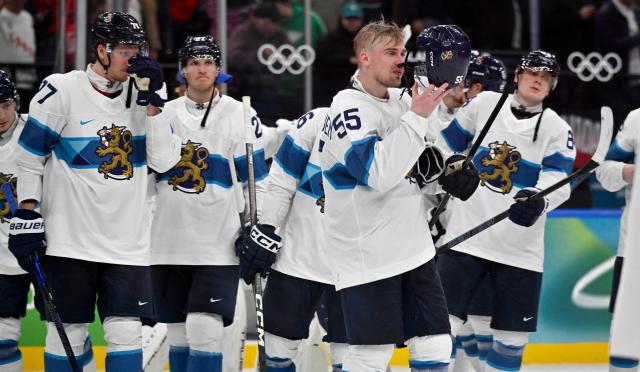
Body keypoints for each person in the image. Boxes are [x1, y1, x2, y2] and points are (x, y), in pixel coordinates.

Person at [9, 11, 180, 371]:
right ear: (101, 50)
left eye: (138, 48)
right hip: (69, 242)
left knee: (126, 334)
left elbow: (164, 162)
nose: (133, 58)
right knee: (68, 334)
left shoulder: (145, 95)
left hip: (127, 244)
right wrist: (27, 212)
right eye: (123, 49)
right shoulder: (61, 89)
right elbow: (28, 160)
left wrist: (156, 105)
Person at [317, 22, 476, 371]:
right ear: (364, 58)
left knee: (435, 346)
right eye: (391, 53)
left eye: (402, 52)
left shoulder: (402, 101)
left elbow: (422, 165)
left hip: (414, 251)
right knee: (372, 356)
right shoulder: (348, 108)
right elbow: (379, 174)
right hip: (369, 257)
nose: (400, 60)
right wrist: (418, 116)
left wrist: (449, 173)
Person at [434, 50, 576, 372]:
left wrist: (540, 198)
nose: (538, 80)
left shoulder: (556, 127)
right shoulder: (483, 105)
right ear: (517, 77)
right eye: (532, 73)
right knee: (440, 331)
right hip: (466, 239)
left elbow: (559, 180)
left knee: (511, 342)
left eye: (546, 77)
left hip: (518, 251)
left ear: (551, 86)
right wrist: (449, 168)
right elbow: (446, 145)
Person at [148, 34, 268, 372]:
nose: (202, 69)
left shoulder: (240, 113)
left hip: (218, 243)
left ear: (218, 70)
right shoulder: (162, 113)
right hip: (167, 244)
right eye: (194, 63)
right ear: (183, 71)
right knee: (178, 336)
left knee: (205, 330)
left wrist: (258, 225)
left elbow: (256, 182)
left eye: (209, 62)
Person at [235, 106, 349, 372]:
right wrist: (266, 229)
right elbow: (281, 181)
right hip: (296, 261)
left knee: (352, 358)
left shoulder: (388, 125)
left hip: (351, 268)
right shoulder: (317, 120)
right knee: (276, 352)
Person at [436, 53, 508, 372]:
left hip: (470, 239)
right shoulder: (506, 122)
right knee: (467, 326)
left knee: (462, 324)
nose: (459, 89)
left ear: (477, 87)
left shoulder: (475, 118)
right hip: (472, 236)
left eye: (465, 84)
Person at [595, 109, 637, 371]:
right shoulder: (638, 119)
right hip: (635, 250)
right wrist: (633, 171)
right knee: (627, 335)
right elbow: (606, 172)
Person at [0, 70, 29, 372]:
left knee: (69, 333)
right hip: (2, 257)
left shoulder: (37, 132)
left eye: (6, 104)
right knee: (2, 336)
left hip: (48, 249)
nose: (1, 114)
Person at [314, 2, 364, 107]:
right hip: (332, 91)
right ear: (342, 19)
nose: (352, 22)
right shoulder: (330, 39)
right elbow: (320, 61)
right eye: (349, 19)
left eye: (355, 19)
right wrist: (348, 60)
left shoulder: (365, 39)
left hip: (359, 92)